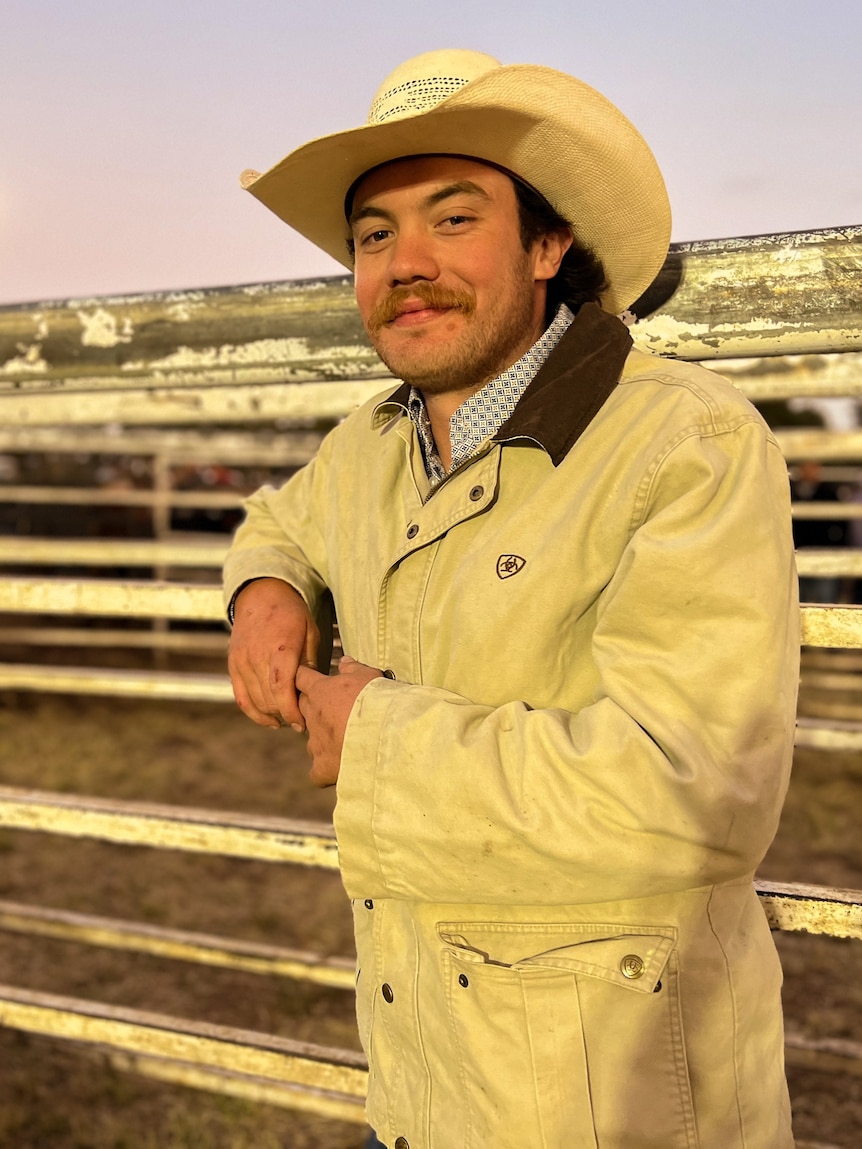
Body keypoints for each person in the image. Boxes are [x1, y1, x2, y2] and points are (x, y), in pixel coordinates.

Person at [224, 49, 799, 1149]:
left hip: (610, 1100)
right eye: (375, 235)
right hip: (423, 1077)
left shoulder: (687, 443)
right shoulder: (372, 445)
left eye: (452, 219)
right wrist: (264, 591)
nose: (405, 264)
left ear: (547, 245)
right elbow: (278, 522)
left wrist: (375, 735)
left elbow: (699, 793)